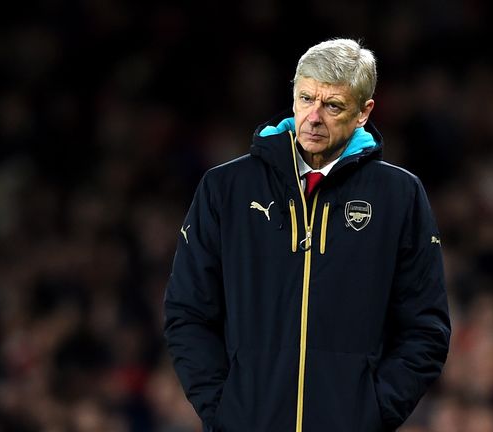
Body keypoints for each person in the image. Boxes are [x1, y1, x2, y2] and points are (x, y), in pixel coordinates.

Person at [164, 38, 451, 432]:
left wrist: (372, 413)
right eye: (305, 98)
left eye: (333, 105)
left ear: (364, 112)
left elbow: (426, 328)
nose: (313, 117)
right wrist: (225, 411)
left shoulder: (399, 196)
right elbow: (187, 312)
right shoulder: (226, 188)